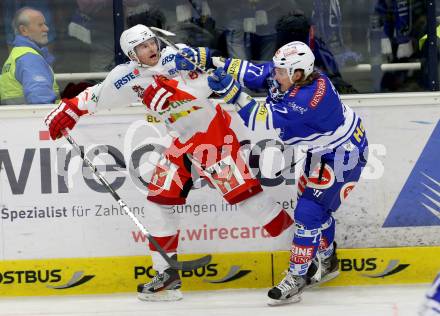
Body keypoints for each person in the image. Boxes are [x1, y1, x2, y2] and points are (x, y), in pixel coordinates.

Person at [44, 24, 294, 302]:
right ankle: (167, 275)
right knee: (158, 200)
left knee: (249, 201)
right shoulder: (124, 77)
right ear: (131, 54)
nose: (151, 49)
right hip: (183, 143)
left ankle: (311, 254)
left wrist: (184, 83)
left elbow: (206, 84)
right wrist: (69, 109)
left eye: (152, 42)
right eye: (142, 47)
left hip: (214, 136)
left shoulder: (179, 56)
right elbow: (97, 94)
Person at [201, 41, 368, 305]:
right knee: (313, 209)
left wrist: (233, 94)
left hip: (343, 156)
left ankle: (298, 276)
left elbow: (256, 117)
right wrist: (211, 59)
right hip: (322, 151)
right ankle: (328, 259)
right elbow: (257, 72)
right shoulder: (295, 78)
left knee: (307, 212)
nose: (275, 75)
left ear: (298, 74)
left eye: (281, 72)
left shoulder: (306, 100)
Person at [0, 7, 59, 105]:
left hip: (18, 118)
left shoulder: (17, 54)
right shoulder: (30, 59)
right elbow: (41, 103)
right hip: (36, 119)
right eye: (40, 25)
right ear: (24, 30)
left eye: (45, 24)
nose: (46, 28)